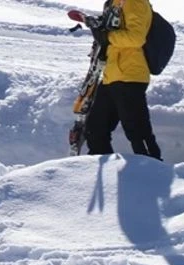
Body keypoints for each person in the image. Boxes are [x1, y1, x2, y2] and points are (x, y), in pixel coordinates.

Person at [69, 0, 161, 160]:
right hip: (112, 76)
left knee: (137, 132)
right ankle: (105, 169)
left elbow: (136, 37)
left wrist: (107, 36)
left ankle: (152, 172)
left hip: (130, 76)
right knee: (95, 128)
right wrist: (97, 26)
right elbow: (114, 28)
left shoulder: (134, 2)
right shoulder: (114, 3)